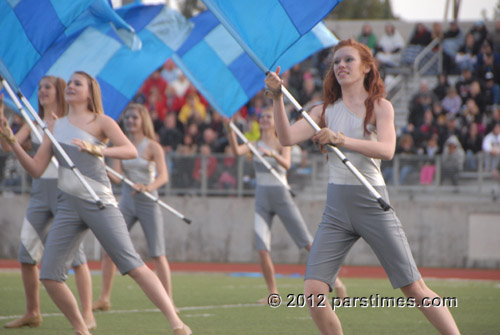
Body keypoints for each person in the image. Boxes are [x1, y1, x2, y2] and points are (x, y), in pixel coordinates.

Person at [265, 38, 460, 335]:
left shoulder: (381, 107)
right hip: (335, 209)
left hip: (372, 202)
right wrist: (278, 97)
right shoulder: (322, 111)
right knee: (314, 293)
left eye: (348, 60)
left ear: (367, 67)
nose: (340, 65)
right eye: (336, 61)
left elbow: (387, 150)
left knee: (414, 288)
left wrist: (341, 140)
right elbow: (286, 138)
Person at [0, 71, 191, 335]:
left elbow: (130, 150)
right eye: (70, 83)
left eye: (78, 83)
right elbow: (36, 168)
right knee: (49, 275)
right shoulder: (55, 126)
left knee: (133, 265)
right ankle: (82, 330)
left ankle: (178, 324)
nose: (71, 86)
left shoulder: (102, 121)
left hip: (99, 202)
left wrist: (99, 149)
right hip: (67, 206)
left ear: (90, 92)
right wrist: (13, 143)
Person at [0, 77, 95, 330]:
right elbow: (8, 147)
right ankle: (33, 311)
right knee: (26, 253)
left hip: (66, 192)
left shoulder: (66, 123)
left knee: (76, 257)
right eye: (39, 87)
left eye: (47, 87)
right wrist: (3, 126)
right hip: (40, 193)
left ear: (59, 92)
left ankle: (88, 313)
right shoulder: (33, 121)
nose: (41, 91)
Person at [226, 108, 347, 303]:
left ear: (274, 121)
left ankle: (337, 281)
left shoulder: (282, 142)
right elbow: (236, 151)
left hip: (281, 195)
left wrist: (272, 154)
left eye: (268, 117)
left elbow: (287, 164)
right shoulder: (254, 144)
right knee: (262, 247)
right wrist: (230, 129)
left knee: (306, 242)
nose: (264, 120)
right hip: (262, 199)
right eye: (262, 117)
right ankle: (273, 293)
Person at [93, 103, 177, 313]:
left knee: (158, 253)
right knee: (110, 249)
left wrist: (147, 187)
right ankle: (104, 298)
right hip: (127, 203)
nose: (130, 121)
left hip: (148, 201)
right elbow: (117, 177)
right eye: (128, 118)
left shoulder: (152, 146)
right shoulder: (122, 144)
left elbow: (164, 176)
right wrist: (99, 161)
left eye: (134, 118)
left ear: (143, 121)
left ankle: (169, 301)